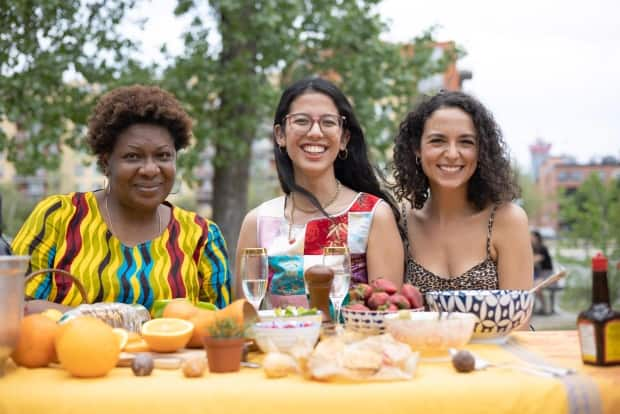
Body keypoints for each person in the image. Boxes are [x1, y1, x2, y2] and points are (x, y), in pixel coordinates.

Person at [12, 85, 231, 313]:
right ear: (106, 162)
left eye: (163, 156)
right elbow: (11, 307)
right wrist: (107, 319)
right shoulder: (59, 217)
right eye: (133, 156)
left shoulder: (202, 236)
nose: (150, 169)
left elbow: (221, 329)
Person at [235, 77, 404, 308]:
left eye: (328, 122)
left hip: (355, 345)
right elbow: (244, 322)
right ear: (280, 135)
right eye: (302, 121)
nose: (315, 132)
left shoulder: (373, 215)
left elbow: (386, 316)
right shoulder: (258, 222)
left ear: (344, 138)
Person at [392, 91, 533, 293]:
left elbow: (519, 318)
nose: (451, 154)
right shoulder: (401, 220)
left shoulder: (508, 220)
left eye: (466, 142)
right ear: (417, 148)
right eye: (437, 141)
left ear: (481, 151)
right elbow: (388, 308)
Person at [531, 229, 554, 313]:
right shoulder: (532, 248)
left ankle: (544, 307)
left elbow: (535, 260)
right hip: (539, 275)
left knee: (536, 286)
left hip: (547, 274)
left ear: (537, 237)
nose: (530, 237)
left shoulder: (542, 248)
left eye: (532, 236)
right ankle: (534, 306)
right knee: (532, 285)